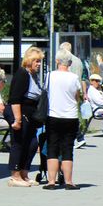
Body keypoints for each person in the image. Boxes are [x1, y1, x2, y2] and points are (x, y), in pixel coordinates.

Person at [43, 52, 82, 189]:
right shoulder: (74, 77)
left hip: (53, 115)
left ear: (57, 61)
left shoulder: (50, 76)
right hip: (70, 116)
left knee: (52, 148)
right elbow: (77, 96)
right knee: (67, 148)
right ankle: (69, 181)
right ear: (70, 63)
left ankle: (51, 181)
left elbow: (46, 93)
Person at [6, 47, 44, 186]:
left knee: (32, 144)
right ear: (29, 60)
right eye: (36, 61)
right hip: (20, 112)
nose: (39, 64)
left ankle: (24, 173)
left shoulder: (33, 75)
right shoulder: (22, 74)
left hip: (31, 114)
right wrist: (17, 119)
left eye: (40, 61)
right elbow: (15, 99)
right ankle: (14, 176)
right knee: (19, 143)